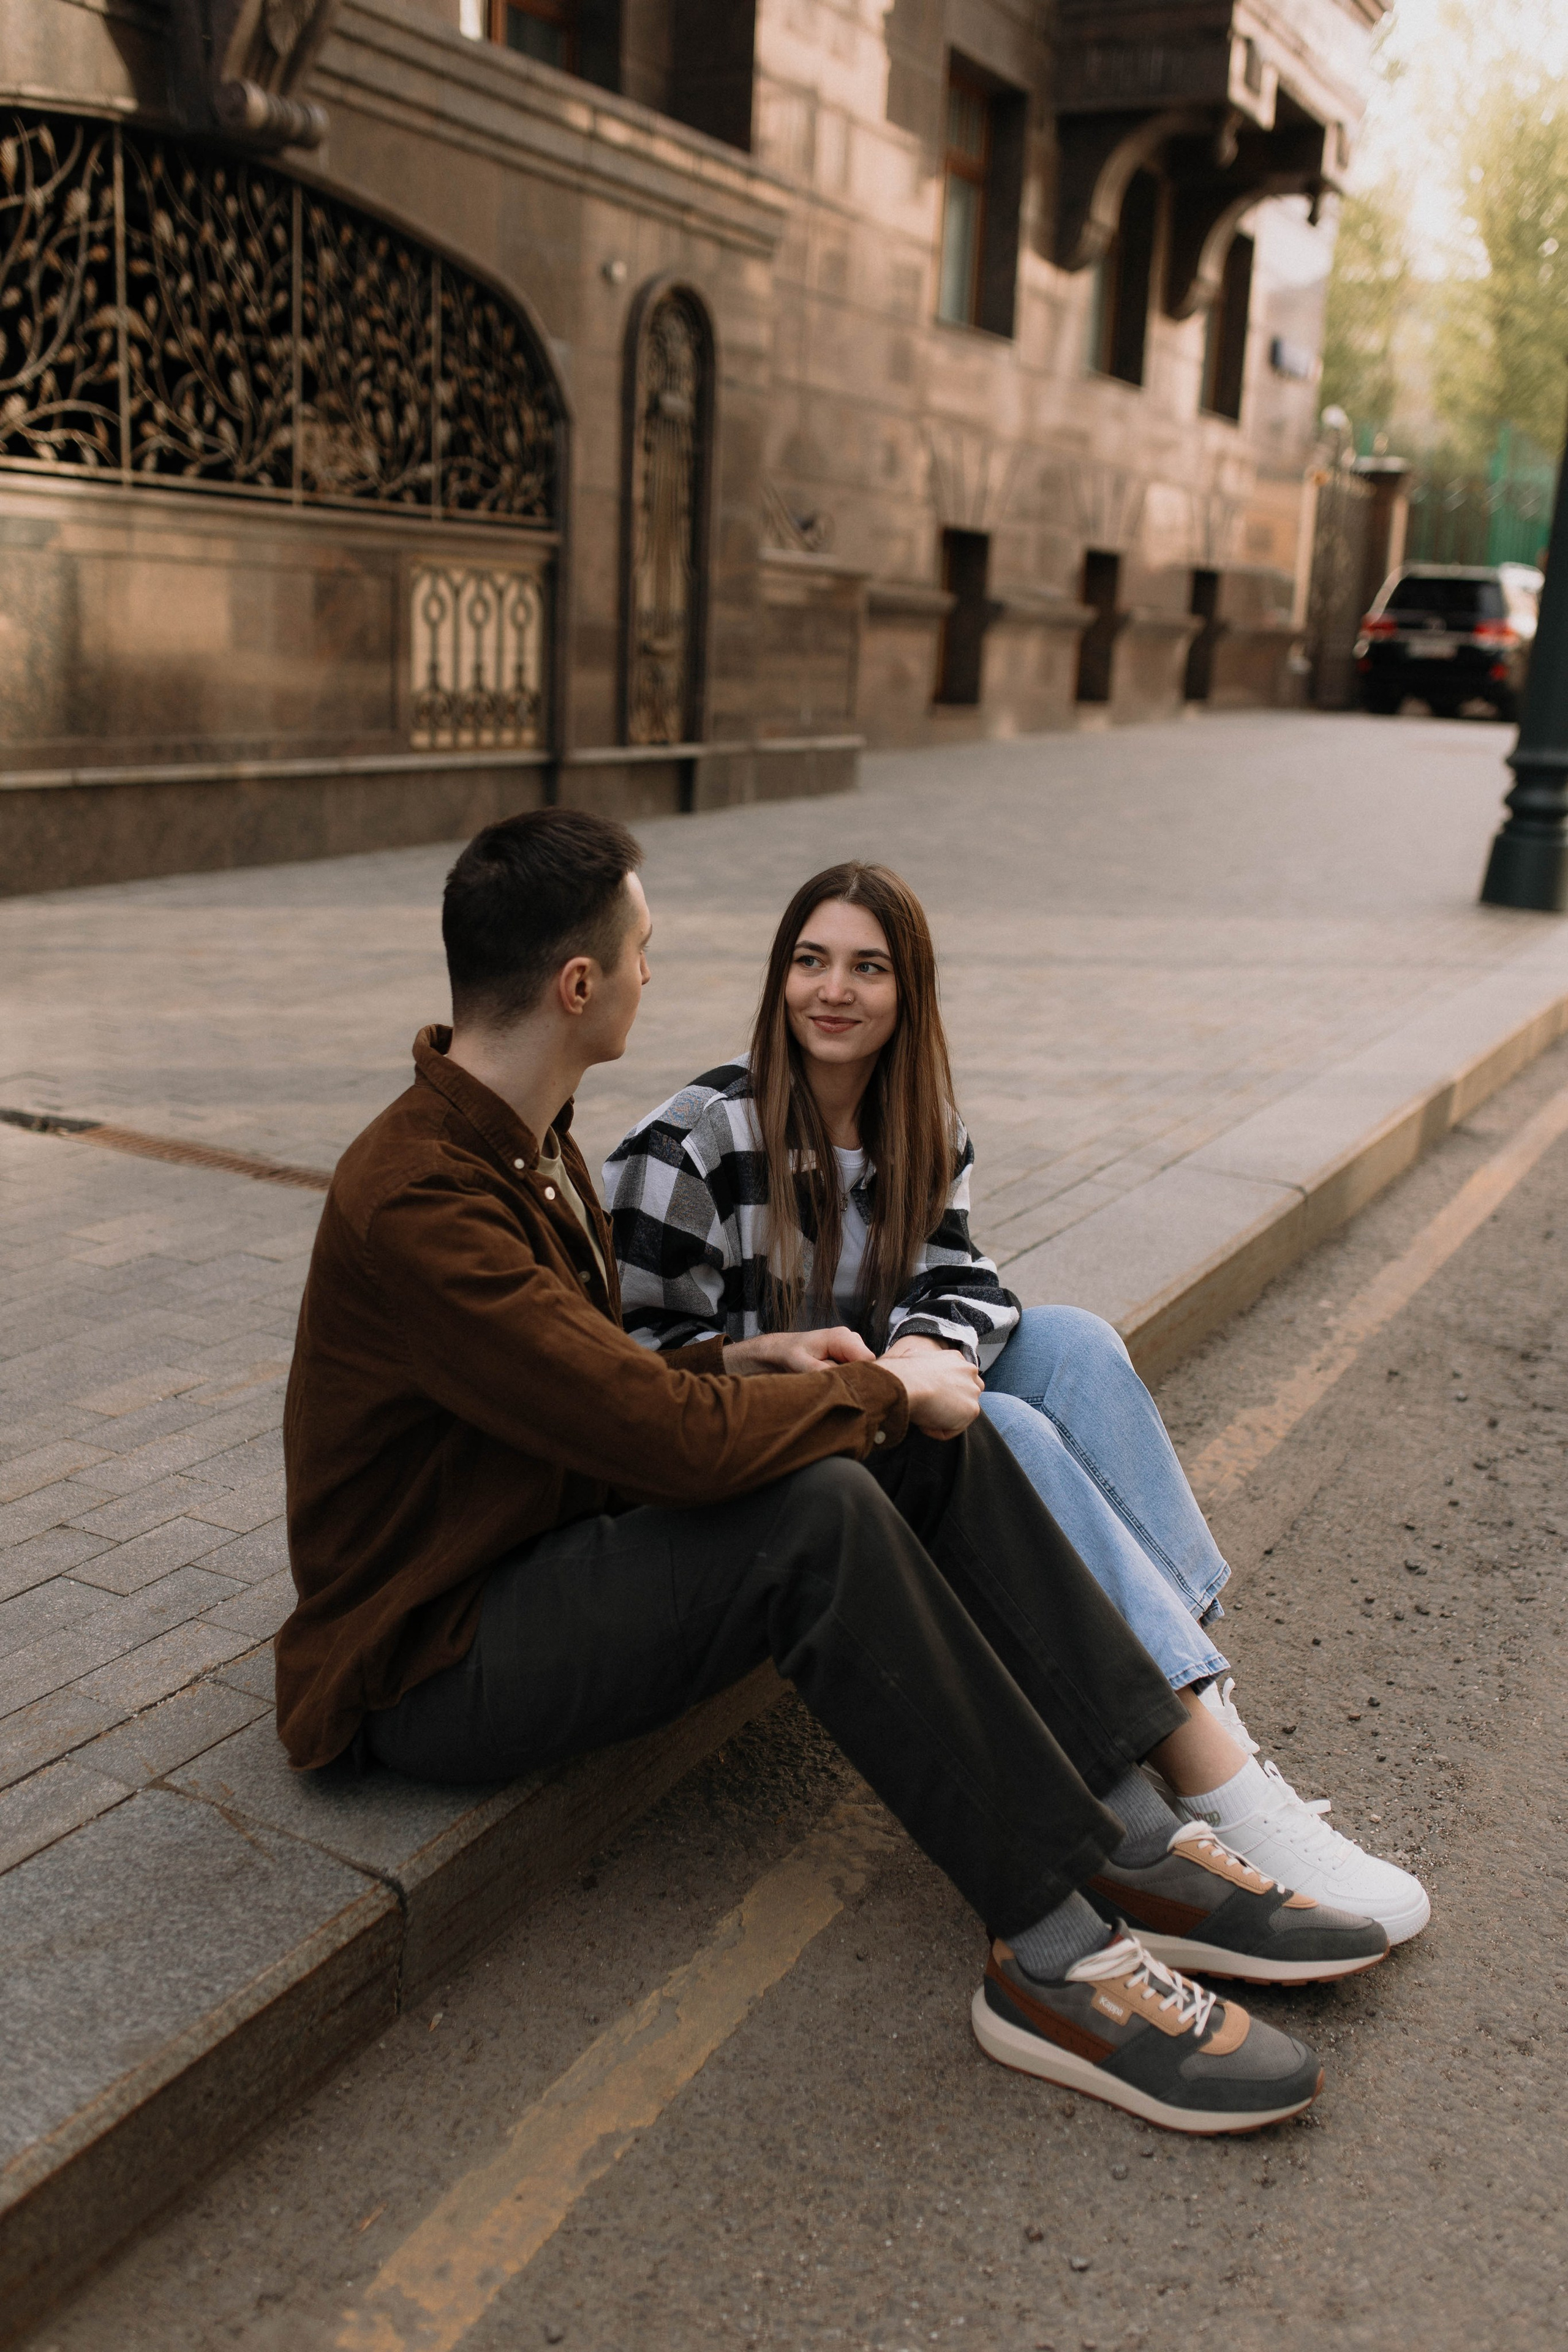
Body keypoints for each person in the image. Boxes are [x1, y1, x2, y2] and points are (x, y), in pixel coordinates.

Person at [278, 809, 1387, 2140]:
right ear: (579, 986)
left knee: (927, 1442)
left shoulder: (522, 1138)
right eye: (643, 952)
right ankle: (1056, 1959)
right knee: (821, 1507)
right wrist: (865, 1386)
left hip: (543, 1552)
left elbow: (601, 1393)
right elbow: (650, 1439)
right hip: (434, 1654)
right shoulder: (421, 1199)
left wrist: (763, 1370)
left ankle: (1135, 1847)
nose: (651, 975)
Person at [605, 859, 1430, 1944]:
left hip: (884, 1411)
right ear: (779, 980)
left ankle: (1200, 1709)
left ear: (910, 994)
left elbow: (963, 1280)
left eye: (867, 967)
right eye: (810, 962)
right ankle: (1222, 1783)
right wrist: (855, 1379)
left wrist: (920, 1349)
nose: (833, 991)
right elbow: (643, 1365)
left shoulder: (920, 1129)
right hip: (787, 1458)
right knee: (1005, 1425)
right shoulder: (695, 1142)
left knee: (1074, 1344)